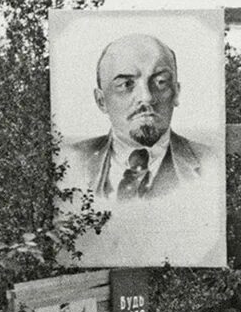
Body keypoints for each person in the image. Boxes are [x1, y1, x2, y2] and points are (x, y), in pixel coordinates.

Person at [67, 33, 214, 201]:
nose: (147, 97)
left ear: (176, 93)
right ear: (101, 101)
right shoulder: (72, 160)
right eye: (126, 84)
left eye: (160, 82)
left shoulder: (209, 162)